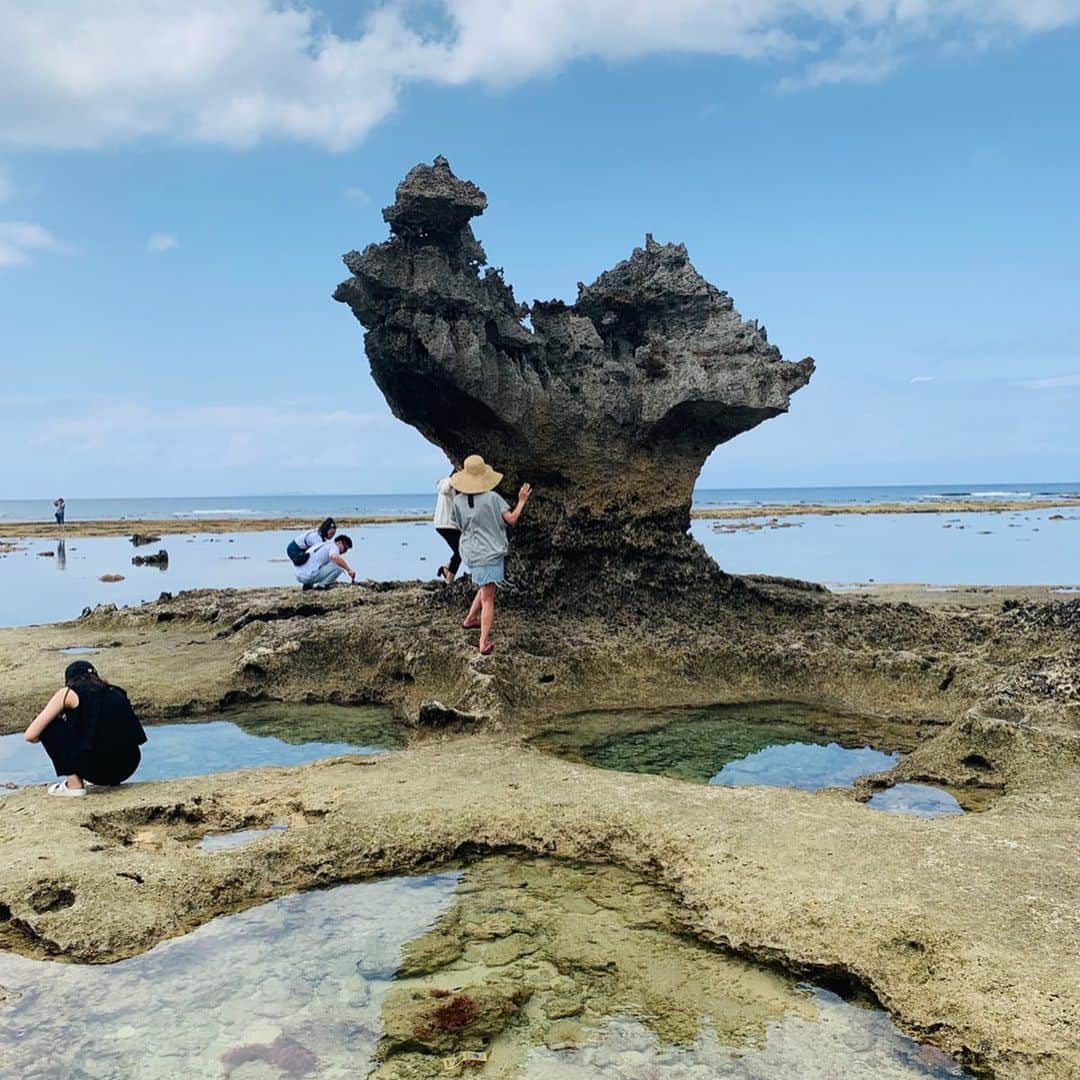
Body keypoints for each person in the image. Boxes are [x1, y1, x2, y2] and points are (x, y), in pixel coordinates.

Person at [23, 661, 146, 797]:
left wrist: (60, 732)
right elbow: (136, 735)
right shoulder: (117, 692)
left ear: (69, 680)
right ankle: (111, 779)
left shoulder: (68, 692)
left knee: (48, 725)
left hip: (95, 771)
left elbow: (31, 735)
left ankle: (74, 785)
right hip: (128, 766)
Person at [451, 455, 531, 656]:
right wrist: (521, 501)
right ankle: (483, 641)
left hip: (470, 552)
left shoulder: (458, 501)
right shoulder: (493, 498)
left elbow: (459, 526)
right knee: (488, 597)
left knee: (485, 586)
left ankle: (470, 619)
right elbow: (511, 519)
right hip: (489, 552)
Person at [433, 472, 461, 584]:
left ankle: (446, 568)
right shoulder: (447, 482)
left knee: (461, 550)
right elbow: (444, 489)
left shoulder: (456, 487)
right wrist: (452, 481)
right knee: (460, 551)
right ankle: (448, 581)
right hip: (446, 525)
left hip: (448, 525)